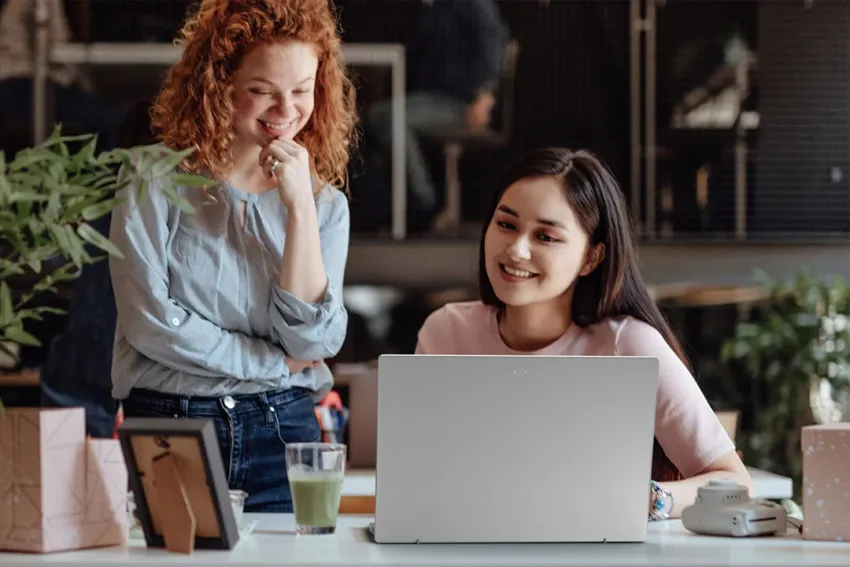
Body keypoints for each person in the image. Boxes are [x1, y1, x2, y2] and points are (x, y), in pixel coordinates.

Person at [108, 0, 357, 513]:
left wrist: (299, 210)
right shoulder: (153, 177)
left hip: (284, 429)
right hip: (173, 426)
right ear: (219, 83)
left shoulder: (326, 205)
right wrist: (268, 362)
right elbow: (150, 321)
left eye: (301, 91)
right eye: (262, 91)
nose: (285, 111)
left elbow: (314, 340)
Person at [414, 147, 753, 520]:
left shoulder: (628, 345)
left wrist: (647, 499)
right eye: (506, 224)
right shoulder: (445, 332)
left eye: (546, 237)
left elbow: (736, 485)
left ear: (591, 258)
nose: (516, 249)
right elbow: (417, 477)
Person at [39, 97, 159, 439]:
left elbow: (50, 259)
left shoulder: (94, 202)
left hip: (76, 387)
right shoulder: (164, 211)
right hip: (120, 397)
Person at [363, 0, 509, 226]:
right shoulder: (426, 9)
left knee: (389, 117)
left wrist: (485, 94)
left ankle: (423, 203)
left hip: (462, 103)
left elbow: (495, 40)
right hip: (429, 99)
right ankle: (386, 208)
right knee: (376, 118)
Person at [0, 0, 126, 151]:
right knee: (116, 118)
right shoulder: (45, 4)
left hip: (24, 84)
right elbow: (57, 50)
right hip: (21, 84)